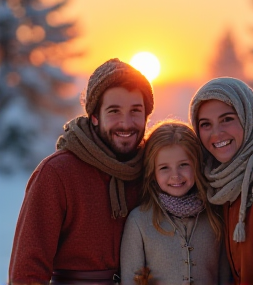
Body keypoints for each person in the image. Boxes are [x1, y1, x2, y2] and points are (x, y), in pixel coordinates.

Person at [8, 58, 154, 285]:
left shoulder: (155, 169)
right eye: (114, 111)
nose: (126, 123)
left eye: (135, 111)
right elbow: (27, 271)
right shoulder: (57, 173)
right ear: (94, 116)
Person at [189, 77, 253, 285]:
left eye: (227, 119)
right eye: (205, 124)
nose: (217, 133)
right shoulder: (223, 180)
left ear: (249, 117)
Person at [120, 120, 232, 285]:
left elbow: (225, 277)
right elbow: (131, 279)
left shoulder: (215, 216)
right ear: (152, 172)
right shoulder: (139, 221)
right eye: (164, 168)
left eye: (184, 165)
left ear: (197, 165)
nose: (176, 176)